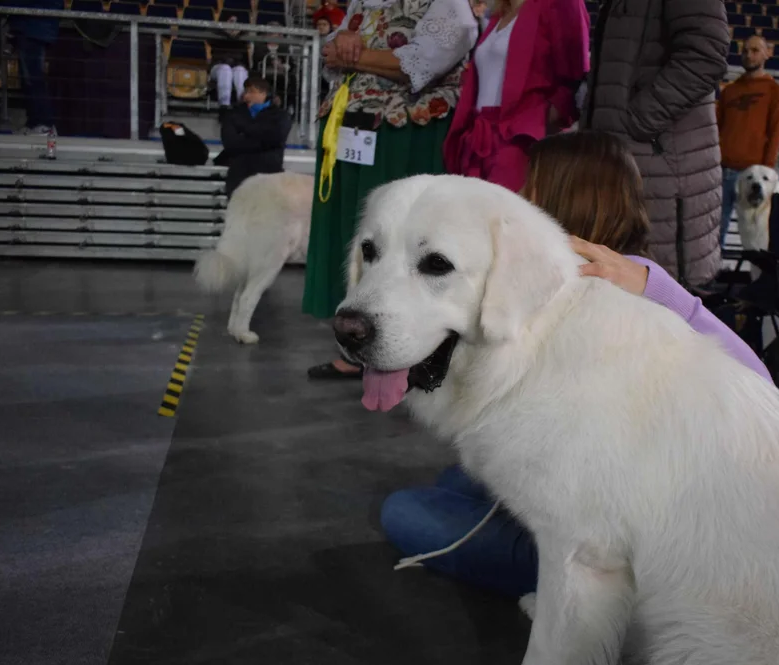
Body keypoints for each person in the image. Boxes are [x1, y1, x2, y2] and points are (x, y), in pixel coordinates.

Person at [379, 130, 773, 598]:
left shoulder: (628, 284)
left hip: (609, 542)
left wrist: (660, 291)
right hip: (599, 500)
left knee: (403, 511)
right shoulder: (570, 276)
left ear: (564, 199)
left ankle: (568, 599)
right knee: (457, 483)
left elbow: (758, 381)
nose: (517, 201)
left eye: (530, 191)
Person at [302, 0, 479, 380]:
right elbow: (332, 53)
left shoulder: (448, 6)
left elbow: (417, 65)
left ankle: (408, 346)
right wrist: (345, 43)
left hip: (403, 133)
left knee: (400, 243)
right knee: (355, 235)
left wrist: (355, 53)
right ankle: (356, 341)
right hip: (352, 130)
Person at [582, 0, 729, 289]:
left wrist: (636, 121)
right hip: (617, 170)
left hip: (661, 169)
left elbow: (706, 54)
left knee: (666, 301)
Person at [443, 0, 589, 193]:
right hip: (478, 137)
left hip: (519, 139)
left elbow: (574, 74)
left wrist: (541, 119)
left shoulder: (560, 3)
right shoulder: (502, 11)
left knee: (507, 217)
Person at [716, 35, 779, 248]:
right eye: (745, 50)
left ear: (767, 53)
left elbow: (776, 132)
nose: (749, 55)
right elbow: (717, 128)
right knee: (715, 230)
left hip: (753, 175)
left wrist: (766, 171)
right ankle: (707, 279)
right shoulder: (730, 91)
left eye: (755, 50)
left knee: (759, 233)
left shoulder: (774, 90)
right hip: (724, 170)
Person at [219, 75, 293, 197]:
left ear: (263, 93)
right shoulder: (233, 115)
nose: (246, 96)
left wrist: (245, 133)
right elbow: (230, 144)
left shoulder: (280, 116)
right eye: (245, 92)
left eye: (251, 92)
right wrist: (263, 140)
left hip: (270, 175)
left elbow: (277, 138)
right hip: (239, 176)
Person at [9, 0, 61, 135]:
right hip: (33, 25)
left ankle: (43, 124)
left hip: (33, 26)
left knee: (32, 76)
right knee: (28, 76)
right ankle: (36, 122)